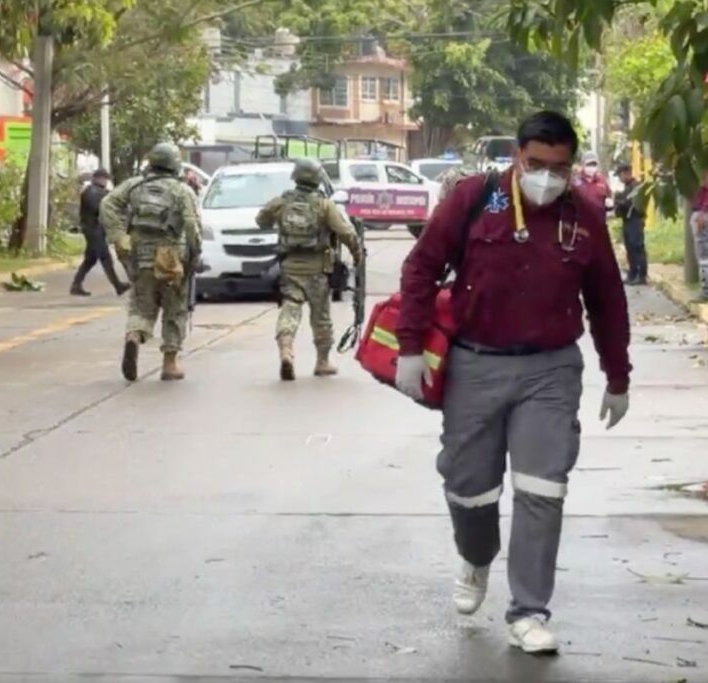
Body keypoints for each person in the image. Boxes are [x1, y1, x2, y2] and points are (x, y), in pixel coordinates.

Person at [395, 111, 631, 654]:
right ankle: (476, 555)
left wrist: (617, 375)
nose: (547, 177)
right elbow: (420, 268)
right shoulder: (475, 198)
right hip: (476, 364)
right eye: (536, 164)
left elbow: (607, 300)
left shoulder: (584, 215)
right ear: (516, 157)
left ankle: (529, 611)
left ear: (572, 166)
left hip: (550, 370)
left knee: (543, 489)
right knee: (468, 486)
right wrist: (410, 347)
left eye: (559, 168)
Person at [101, 142, 202, 382]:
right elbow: (191, 226)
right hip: (171, 259)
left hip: (140, 256)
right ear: (175, 164)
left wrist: (118, 236)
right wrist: (195, 255)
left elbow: (107, 204)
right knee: (174, 309)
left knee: (140, 305)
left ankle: (134, 336)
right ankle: (170, 364)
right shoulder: (182, 191)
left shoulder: (134, 186)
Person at [256, 158, 362, 380]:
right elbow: (346, 233)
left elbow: (261, 220)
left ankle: (286, 349)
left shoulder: (282, 202)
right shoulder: (324, 205)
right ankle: (322, 362)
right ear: (317, 179)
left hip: (289, 268)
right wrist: (357, 254)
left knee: (290, 309)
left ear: (295, 176)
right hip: (317, 270)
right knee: (321, 316)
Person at [70, 169, 130, 297]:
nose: (105, 181)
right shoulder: (91, 191)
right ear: (97, 178)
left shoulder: (101, 192)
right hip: (92, 229)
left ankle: (76, 285)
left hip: (97, 229)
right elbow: (98, 207)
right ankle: (117, 285)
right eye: (104, 179)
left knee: (90, 259)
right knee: (105, 257)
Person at [615, 164, 647, 286]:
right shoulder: (626, 188)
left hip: (635, 220)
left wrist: (618, 201)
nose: (619, 178)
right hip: (627, 221)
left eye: (620, 175)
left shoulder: (636, 187)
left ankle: (641, 275)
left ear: (626, 173)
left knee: (637, 247)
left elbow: (630, 204)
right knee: (629, 248)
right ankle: (632, 273)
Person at [690, 174, 708, 300]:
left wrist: (703, 212)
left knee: (704, 257)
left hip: (702, 216)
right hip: (701, 214)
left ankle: (706, 291)